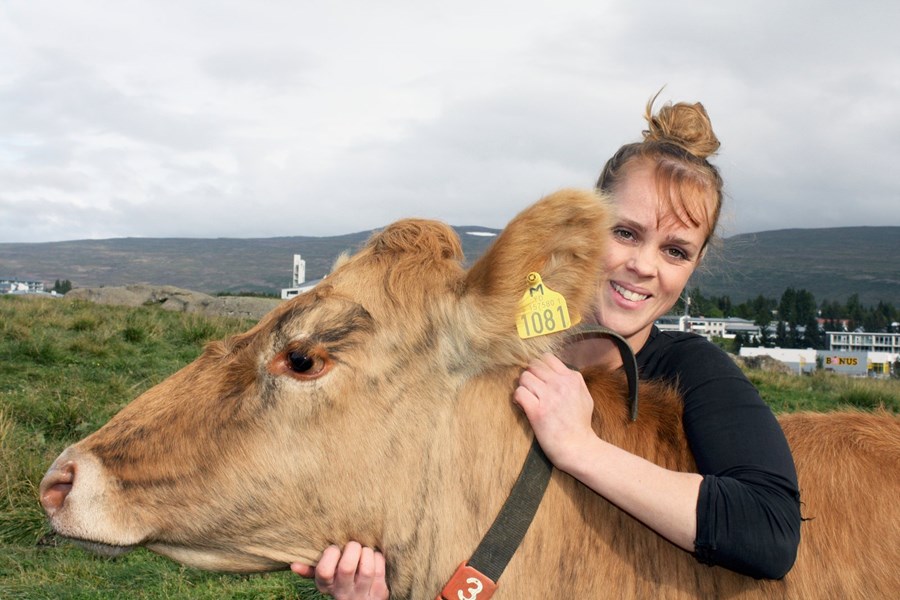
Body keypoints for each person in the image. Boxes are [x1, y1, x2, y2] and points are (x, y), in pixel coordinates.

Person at [292, 95, 802, 598]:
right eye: (625, 233)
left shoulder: (691, 370)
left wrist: (579, 447)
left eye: (675, 251)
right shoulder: (489, 345)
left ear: (693, 266)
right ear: (585, 229)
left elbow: (770, 533)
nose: (644, 266)